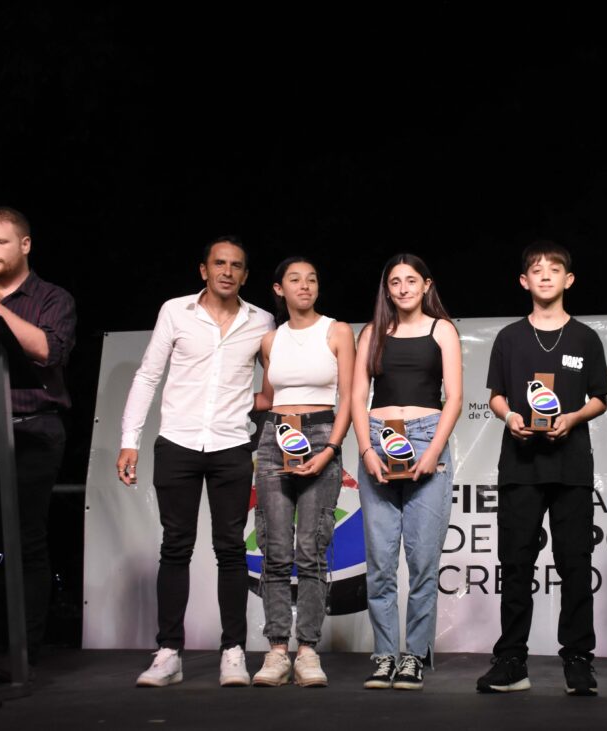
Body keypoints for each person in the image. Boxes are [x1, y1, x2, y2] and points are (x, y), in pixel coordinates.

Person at [116, 236, 273, 687]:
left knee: (231, 549)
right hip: (178, 442)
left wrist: (245, 406)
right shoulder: (175, 311)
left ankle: (234, 651)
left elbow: (274, 385)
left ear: (245, 275)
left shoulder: (262, 320)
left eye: (236, 265)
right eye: (219, 263)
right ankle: (169, 652)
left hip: (231, 445)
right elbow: (148, 375)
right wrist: (129, 441)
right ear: (204, 270)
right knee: (175, 547)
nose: (227, 271)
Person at [476, 240, 607, 697]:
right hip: (520, 466)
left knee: (575, 564)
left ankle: (578, 659)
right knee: (516, 564)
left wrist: (573, 418)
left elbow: (600, 398)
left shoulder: (585, 338)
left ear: (569, 279)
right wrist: (509, 416)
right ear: (524, 281)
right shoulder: (509, 337)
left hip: (571, 467)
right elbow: (496, 395)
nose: (546, 275)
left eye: (555, 269)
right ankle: (512, 659)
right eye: (537, 269)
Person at [350, 253, 462, 691]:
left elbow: (454, 398)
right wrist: (365, 449)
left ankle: (413, 655)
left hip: (426, 438)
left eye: (411, 280)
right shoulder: (372, 333)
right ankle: (384, 656)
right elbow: (357, 396)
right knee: (380, 563)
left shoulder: (442, 330)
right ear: (387, 289)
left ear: (426, 285)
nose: (402, 288)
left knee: (422, 562)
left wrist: (433, 450)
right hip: (379, 440)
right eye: (395, 281)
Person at [0, 206, 76, 673]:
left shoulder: (52, 298)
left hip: (33, 429)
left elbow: (48, 351)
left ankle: (20, 651)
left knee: (24, 539)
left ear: (25, 244)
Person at [249, 256, 355, 687]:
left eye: (312, 279)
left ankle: (308, 650)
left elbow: (349, 396)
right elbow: (267, 397)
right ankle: (277, 650)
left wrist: (331, 448)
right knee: (275, 550)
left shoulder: (337, 330)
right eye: (295, 279)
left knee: (311, 550)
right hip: (275, 438)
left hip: (321, 433)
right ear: (279, 289)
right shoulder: (270, 340)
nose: (305, 286)